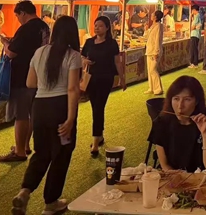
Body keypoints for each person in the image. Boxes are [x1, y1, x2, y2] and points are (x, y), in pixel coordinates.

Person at [11, 15, 81, 215]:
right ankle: (51, 202)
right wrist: (70, 118)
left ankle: (25, 191)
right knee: (61, 154)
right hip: (60, 107)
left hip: (40, 107)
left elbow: (30, 83)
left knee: (41, 152)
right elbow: (72, 89)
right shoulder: (73, 55)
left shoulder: (39, 52)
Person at [0, 0, 50, 163]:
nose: (18, 19)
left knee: (21, 114)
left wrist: (5, 43)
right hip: (38, 75)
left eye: (17, 15)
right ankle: (26, 145)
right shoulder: (44, 27)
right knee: (31, 112)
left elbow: (12, 53)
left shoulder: (26, 28)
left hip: (22, 76)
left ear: (23, 13)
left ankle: (19, 151)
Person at [148, 76, 206, 171]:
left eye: (187, 99)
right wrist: (180, 178)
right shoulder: (162, 121)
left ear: (197, 101)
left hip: (201, 176)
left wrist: (204, 133)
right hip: (172, 175)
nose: (180, 106)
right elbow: (165, 165)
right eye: (176, 99)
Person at [81, 16, 123, 156]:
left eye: (100, 26)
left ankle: (95, 143)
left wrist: (122, 78)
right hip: (91, 79)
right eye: (95, 25)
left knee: (98, 107)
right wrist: (85, 61)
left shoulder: (112, 43)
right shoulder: (89, 42)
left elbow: (117, 62)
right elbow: (81, 56)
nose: (97, 28)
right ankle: (99, 136)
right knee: (96, 108)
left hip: (106, 79)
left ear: (107, 28)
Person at [145, 10, 164, 95]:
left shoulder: (159, 26)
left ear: (155, 17)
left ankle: (158, 88)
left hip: (154, 51)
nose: (151, 16)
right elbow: (147, 36)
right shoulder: (153, 25)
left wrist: (156, 52)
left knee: (153, 69)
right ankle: (151, 88)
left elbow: (157, 40)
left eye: (152, 15)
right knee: (149, 70)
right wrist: (146, 29)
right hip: (149, 50)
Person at [187, 4, 202, 69]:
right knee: (194, 49)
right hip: (195, 34)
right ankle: (194, 63)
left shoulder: (197, 16)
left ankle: (194, 63)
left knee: (194, 49)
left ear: (194, 10)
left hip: (195, 34)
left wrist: (190, 29)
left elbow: (193, 27)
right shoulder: (197, 16)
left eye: (192, 10)